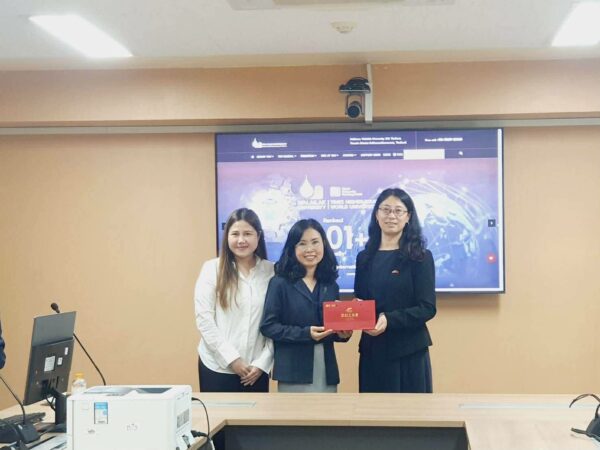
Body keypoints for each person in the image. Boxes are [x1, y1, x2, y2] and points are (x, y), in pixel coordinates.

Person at [355, 188, 436, 393]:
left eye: (398, 211)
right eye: (385, 209)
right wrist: (351, 315)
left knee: (410, 412)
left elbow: (427, 308)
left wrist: (389, 319)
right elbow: (361, 301)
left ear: (408, 217)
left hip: (409, 353)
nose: (391, 216)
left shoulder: (420, 257)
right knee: (373, 411)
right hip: (373, 351)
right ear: (376, 214)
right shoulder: (364, 258)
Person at [260, 219, 352, 393]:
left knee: (328, 411)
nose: (310, 249)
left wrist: (342, 334)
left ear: (324, 244)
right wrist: (305, 334)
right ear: (292, 249)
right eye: (302, 244)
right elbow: (268, 326)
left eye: (315, 242)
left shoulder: (330, 284)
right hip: (293, 370)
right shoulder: (279, 283)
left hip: (326, 369)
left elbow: (332, 328)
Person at [194, 208, 274, 392]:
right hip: (217, 367)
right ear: (227, 236)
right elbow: (204, 320)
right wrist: (232, 359)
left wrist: (262, 363)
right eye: (235, 234)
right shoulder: (212, 269)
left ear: (258, 235)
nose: (241, 240)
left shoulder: (271, 271)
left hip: (256, 370)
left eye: (248, 234)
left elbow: (276, 323)